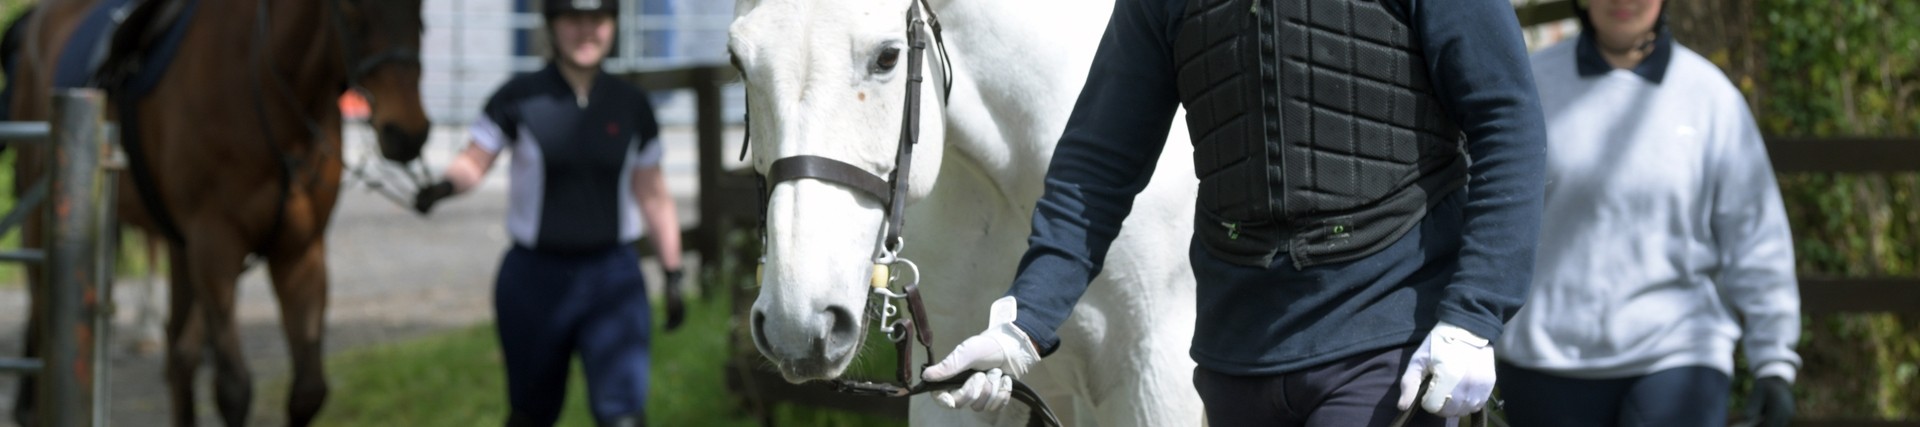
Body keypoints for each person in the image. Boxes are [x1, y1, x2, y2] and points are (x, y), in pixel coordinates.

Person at [919, 0, 1548, 425]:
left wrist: (1474, 315)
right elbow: (1098, 161)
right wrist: (1022, 325)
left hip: (1388, 339)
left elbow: (1506, 117)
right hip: (1237, 359)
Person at [1491, 0, 1801, 425]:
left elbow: (1755, 234)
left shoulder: (1710, 96)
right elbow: (1489, 212)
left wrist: (1774, 362)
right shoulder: (1529, 85)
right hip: (1544, 359)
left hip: (1680, 353)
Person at [412, 0, 686, 425]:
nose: (586, 31)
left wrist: (672, 271)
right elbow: (474, 161)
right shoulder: (517, 96)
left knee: (624, 416)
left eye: (597, 20)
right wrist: (443, 187)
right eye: (573, 20)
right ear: (552, 26)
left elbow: (652, 193)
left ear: (613, 26)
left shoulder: (632, 104)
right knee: (530, 414)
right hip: (534, 281)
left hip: (612, 278)